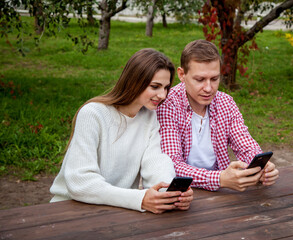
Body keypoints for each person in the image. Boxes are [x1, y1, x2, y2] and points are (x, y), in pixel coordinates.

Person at [50, 48, 193, 214]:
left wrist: (169, 193)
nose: (162, 95)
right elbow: (81, 182)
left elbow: (155, 162)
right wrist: (140, 199)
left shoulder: (149, 117)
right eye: (155, 86)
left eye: (166, 87)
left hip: (115, 210)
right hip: (68, 210)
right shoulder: (92, 114)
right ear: (134, 81)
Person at [156, 40, 279, 192]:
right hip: (181, 192)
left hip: (218, 190)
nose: (208, 88)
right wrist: (219, 179)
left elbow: (245, 146)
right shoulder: (167, 104)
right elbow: (172, 165)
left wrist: (261, 166)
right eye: (200, 80)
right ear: (182, 74)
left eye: (214, 79)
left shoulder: (225, 102)